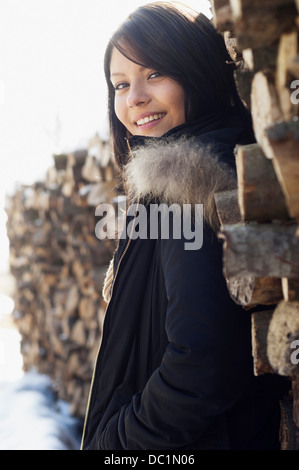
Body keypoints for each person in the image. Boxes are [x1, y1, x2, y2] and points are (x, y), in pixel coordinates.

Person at [81, 1, 289, 450]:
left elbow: (201, 365)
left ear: (195, 71)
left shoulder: (184, 185)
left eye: (154, 73)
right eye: (120, 84)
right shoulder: (204, 162)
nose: (134, 97)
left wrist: (114, 443)